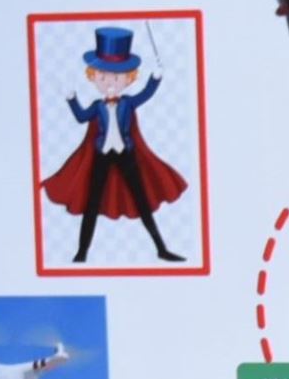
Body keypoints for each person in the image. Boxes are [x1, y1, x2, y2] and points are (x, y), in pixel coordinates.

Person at [42, 25, 188, 266]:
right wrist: (71, 98)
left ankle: (161, 249)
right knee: (92, 204)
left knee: (142, 201)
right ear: (93, 77)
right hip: (102, 155)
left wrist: (156, 77)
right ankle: (81, 252)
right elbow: (81, 117)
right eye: (103, 76)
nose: (109, 82)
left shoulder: (128, 102)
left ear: (128, 78)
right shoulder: (98, 106)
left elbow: (146, 94)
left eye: (117, 77)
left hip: (125, 155)